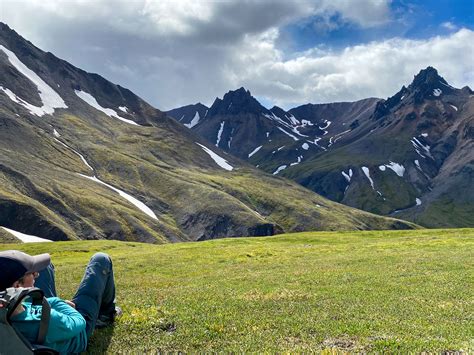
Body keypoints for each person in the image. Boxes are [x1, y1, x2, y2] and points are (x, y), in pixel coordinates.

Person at [0, 250, 120, 354]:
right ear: (17, 286)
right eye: (31, 273)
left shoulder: (6, 312)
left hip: (41, 323)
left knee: (45, 267)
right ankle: (105, 315)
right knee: (101, 259)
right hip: (77, 332)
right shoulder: (48, 319)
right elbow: (79, 322)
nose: (36, 274)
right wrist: (60, 304)